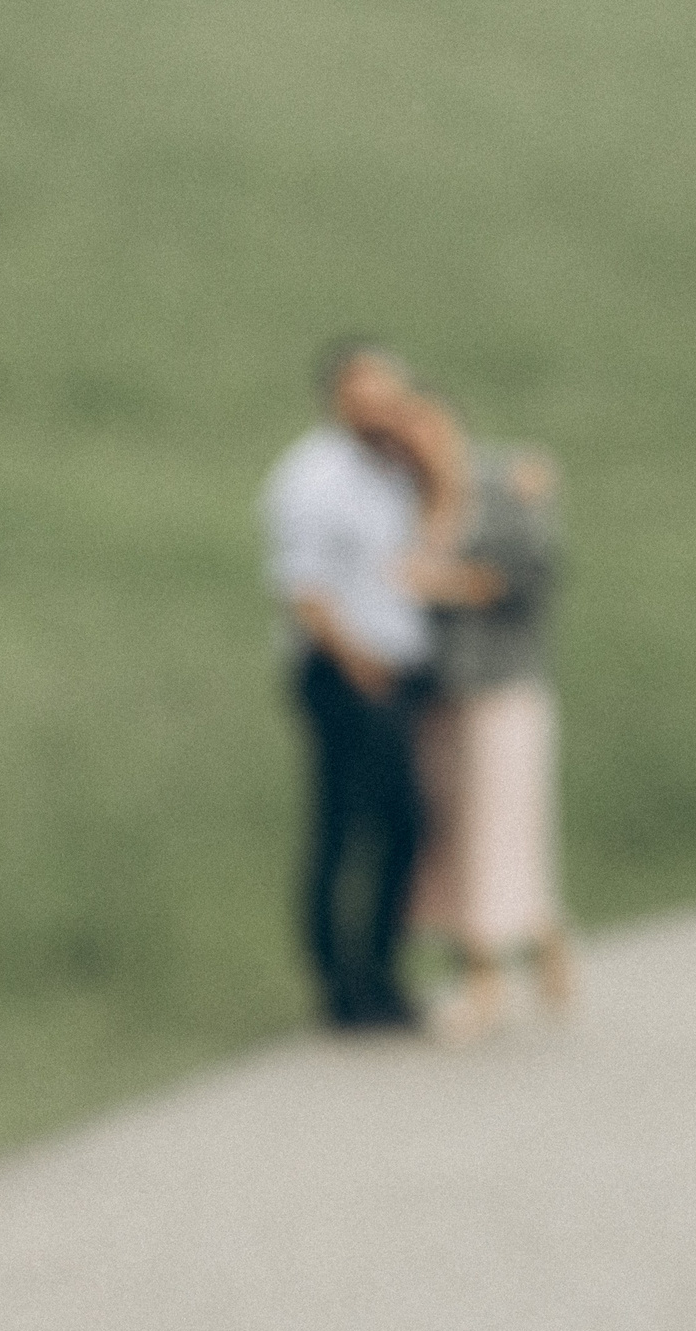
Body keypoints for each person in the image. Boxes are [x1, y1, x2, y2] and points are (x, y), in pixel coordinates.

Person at [261, 341, 436, 1030]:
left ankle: (382, 971)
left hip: (397, 668)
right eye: (365, 397)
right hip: (347, 672)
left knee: (402, 825)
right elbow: (304, 589)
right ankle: (340, 984)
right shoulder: (315, 477)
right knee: (343, 824)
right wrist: (361, 666)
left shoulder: (393, 471)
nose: (379, 410)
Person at [389, 401, 573, 1040]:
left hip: (500, 685)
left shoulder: (505, 486)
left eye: (426, 425)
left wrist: (445, 585)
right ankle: (540, 934)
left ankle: (486, 979)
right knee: (455, 834)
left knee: (497, 828)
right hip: (436, 689)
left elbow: (533, 572)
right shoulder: (405, 497)